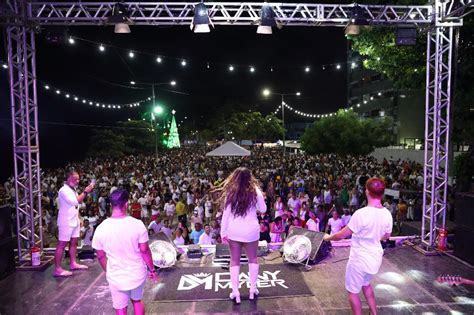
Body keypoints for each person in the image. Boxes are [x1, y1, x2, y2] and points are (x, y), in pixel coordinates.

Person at [324, 178, 392, 315]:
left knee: (353, 292)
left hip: (359, 260)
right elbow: (386, 236)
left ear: (367, 191)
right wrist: (374, 236)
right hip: (375, 259)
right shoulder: (387, 214)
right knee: (366, 284)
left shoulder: (361, 214)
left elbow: (342, 235)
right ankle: (374, 313)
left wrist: (328, 237)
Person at [92, 189, 157, 315]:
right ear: (127, 204)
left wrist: (108, 271)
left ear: (111, 205)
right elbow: (144, 251)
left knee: (120, 308)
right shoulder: (137, 224)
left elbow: (100, 256)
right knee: (137, 301)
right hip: (137, 273)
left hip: (116, 276)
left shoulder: (101, 228)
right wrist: (152, 270)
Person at [218, 167, 267, 303]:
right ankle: (252, 290)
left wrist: (223, 233)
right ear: (249, 178)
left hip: (234, 231)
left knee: (234, 260)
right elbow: (263, 209)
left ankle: (236, 292)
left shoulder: (231, 192)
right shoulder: (255, 191)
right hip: (251, 231)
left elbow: (226, 214)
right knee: (253, 259)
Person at [54, 171, 95, 277]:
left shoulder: (73, 189)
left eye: (78, 179)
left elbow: (76, 205)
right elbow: (75, 202)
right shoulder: (64, 190)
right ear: (68, 178)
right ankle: (58, 269)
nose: (77, 181)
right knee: (62, 244)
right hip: (65, 221)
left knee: (74, 242)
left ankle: (73, 263)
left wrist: (79, 218)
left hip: (74, 220)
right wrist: (86, 191)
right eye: (75, 179)